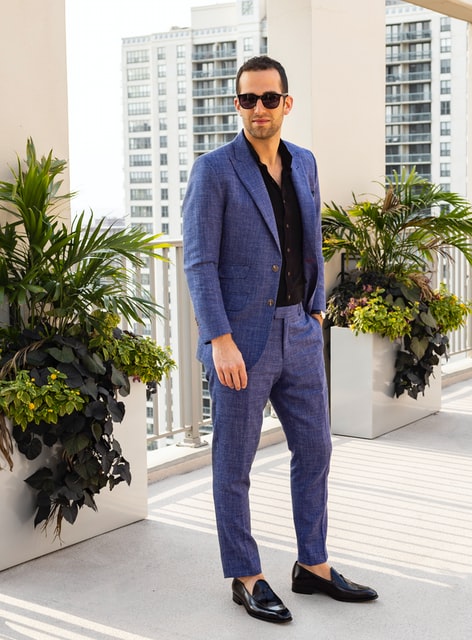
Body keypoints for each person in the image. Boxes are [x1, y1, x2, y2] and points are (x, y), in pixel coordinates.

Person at [182, 55, 378, 624]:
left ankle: (312, 566)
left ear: (287, 103)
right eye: (248, 100)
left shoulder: (305, 163)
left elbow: (311, 237)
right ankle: (246, 575)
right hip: (241, 341)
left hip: (300, 329)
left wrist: (316, 312)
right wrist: (219, 338)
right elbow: (198, 261)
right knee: (234, 460)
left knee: (316, 449)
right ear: (237, 104)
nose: (259, 110)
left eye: (270, 99)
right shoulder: (214, 170)